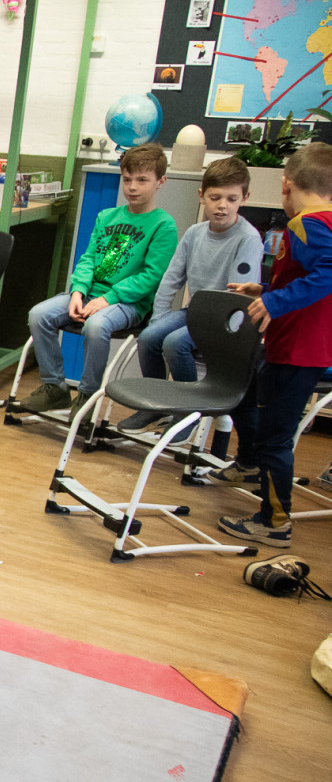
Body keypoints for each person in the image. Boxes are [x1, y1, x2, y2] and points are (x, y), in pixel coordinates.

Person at [215, 142, 332, 549]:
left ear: (286, 185)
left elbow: (329, 273)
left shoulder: (307, 225)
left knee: (275, 438)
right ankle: (253, 471)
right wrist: (265, 290)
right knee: (254, 406)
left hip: (297, 350)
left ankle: (274, 521)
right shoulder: (325, 222)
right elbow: (309, 280)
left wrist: (275, 302)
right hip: (301, 346)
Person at [19, 143, 179, 422]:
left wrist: (109, 298)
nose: (133, 187)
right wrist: (78, 291)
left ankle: (87, 395)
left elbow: (152, 276)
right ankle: (55, 387)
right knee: (39, 314)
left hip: (129, 303)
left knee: (95, 326)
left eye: (142, 180)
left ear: (160, 182)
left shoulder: (164, 225)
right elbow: (88, 259)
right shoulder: (107, 216)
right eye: (127, 179)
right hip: (90, 293)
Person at [118, 157, 264, 441]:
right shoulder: (194, 234)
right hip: (195, 312)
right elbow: (171, 279)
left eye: (231, 199)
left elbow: (238, 298)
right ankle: (156, 404)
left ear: (244, 199)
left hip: (225, 322)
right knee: (149, 337)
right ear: (202, 196)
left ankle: (188, 412)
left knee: (175, 343)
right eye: (215, 197)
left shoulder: (248, 239)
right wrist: (159, 318)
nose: (222, 205)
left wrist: (225, 335)